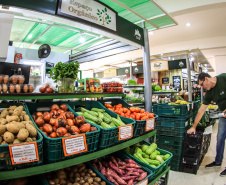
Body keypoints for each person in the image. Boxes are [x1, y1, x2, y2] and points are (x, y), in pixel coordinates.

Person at [187, 72, 226, 176]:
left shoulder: (223, 78)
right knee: (220, 138)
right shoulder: (209, 93)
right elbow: (201, 110)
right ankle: (218, 161)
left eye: (202, 84)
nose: (202, 87)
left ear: (206, 79)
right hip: (224, 115)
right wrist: (194, 126)